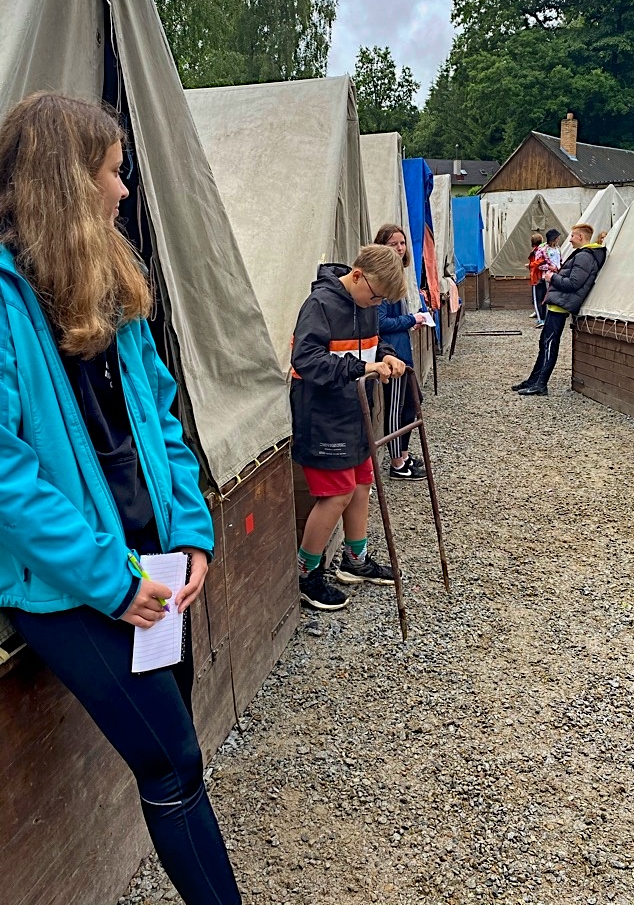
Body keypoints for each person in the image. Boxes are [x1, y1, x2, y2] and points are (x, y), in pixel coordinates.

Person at [0, 93, 241, 904]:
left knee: (178, 740)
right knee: (172, 760)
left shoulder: (105, 277)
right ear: (69, 183)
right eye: (112, 172)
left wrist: (192, 531)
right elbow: (7, 477)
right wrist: (112, 581)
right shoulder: (3, 300)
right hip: (72, 586)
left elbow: (161, 417)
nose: (125, 189)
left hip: (153, 562)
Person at [291, 244, 407, 611]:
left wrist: (386, 355)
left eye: (381, 301)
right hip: (321, 414)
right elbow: (306, 360)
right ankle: (306, 574)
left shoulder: (365, 302)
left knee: (361, 482)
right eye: (375, 297)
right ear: (357, 276)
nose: (376, 304)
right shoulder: (320, 304)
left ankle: (355, 560)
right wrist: (363, 368)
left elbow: (372, 344)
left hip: (354, 410)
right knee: (336, 493)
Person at [513, 222, 606, 397]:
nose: (569, 240)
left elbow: (574, 283)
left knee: (549, 344)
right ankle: (534, 380)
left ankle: (541, 384)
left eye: (572, 236)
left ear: (580, 237)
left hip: (561, 306)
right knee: (545, 343)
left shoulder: (584, 257)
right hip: (558, 304)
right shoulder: (584, 255)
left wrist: (552, 277)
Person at [373, 224, 431, 481]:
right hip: (391, 357)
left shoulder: (397, 276)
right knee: (398, 409)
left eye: (402, 243)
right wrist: (410, 319)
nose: (399, 248)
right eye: (392, 244)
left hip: (402, 354)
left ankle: (403, 455)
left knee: (411, 405)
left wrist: (410, 322)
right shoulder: (382, 280)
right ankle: (397, 463)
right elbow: (380, 322)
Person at [527, 231, 546, 324]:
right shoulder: (545, 250)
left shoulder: (536, 251)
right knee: (543, 300)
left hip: (536, 278)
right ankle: (544, 318)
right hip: (543, 277)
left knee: (537, 300)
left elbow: (537, 263)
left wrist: (530, 265)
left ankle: (540, 319)